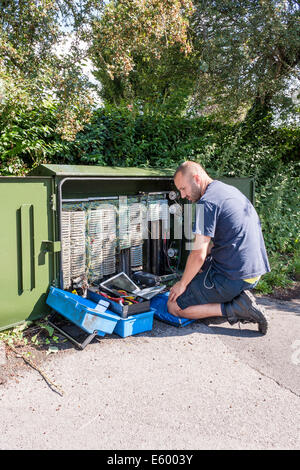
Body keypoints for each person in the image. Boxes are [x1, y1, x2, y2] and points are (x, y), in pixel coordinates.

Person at [167, 161, 270, 334]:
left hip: (234, 277)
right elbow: (214, 244)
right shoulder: (226, 190)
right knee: (197, 272)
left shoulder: (206, 203)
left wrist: (182, 284)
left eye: (183, 189)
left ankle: (236, 308)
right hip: (255, 271)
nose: (183, 195)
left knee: (173, 306)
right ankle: (233, 299)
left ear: (197, 179)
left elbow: (198, 253)